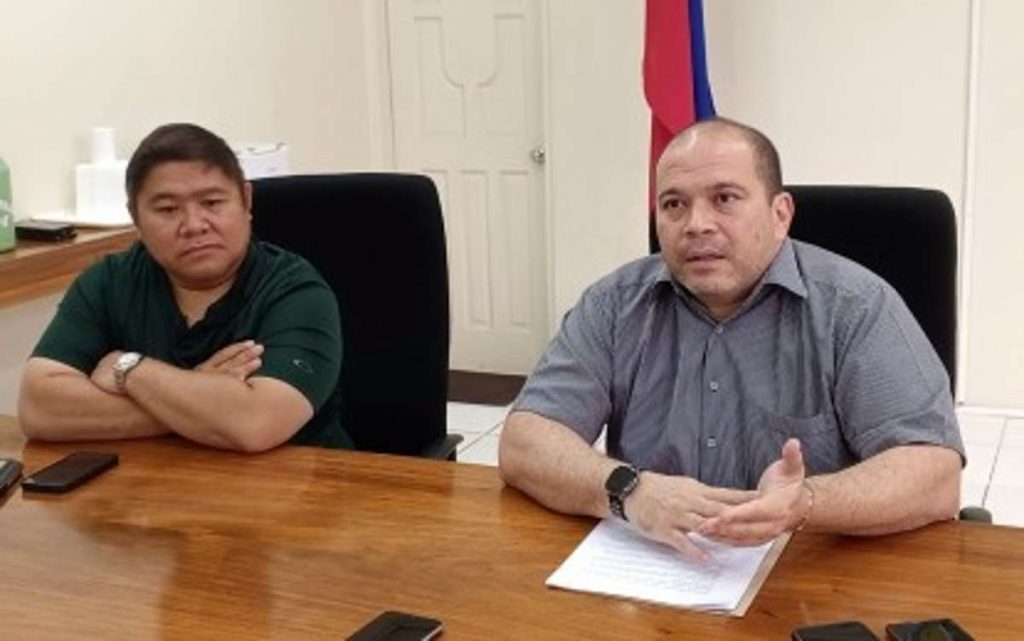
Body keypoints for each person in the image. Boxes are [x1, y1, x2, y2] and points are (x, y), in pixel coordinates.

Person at [499, 117, 963, 559]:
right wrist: (629, 489)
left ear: (780, 214)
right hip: (655, 570)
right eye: (674, 204)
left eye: (724, 198)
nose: (696, 224)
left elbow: (934, 475)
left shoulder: (855, 306)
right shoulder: (614, 304)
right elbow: (525, 441)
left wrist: (805, 503)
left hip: (810, 577)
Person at [18, 123, 351, 452]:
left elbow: (255, 424)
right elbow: (38, 409)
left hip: (297, 492)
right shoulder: (108, 281)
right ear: (136, 219)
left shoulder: (296, 291)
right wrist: (201, 392)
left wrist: (130, 369)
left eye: (212, 203)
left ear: (246, 201)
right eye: (167, 210)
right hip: (159, 491)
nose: (193, 225)